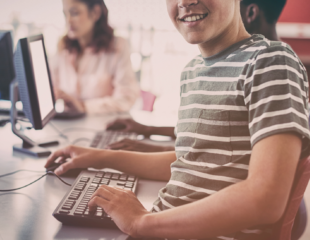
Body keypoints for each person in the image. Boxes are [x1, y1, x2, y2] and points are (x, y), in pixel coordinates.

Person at [46, 0, 310, 239]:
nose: (185, 2)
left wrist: (142, 222)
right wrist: (98, 157)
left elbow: (266, 199)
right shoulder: (194, 71)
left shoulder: (271, 60)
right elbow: (190, 162)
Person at [106, 0, 286, 152]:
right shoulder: (195, 69)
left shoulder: (269, 65)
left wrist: (146, 145)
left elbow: (214, 157)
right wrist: (147, 131)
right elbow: (204, 146)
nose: (184, 2)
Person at [50, 0, 139, 115]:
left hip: (102, 124)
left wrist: (83, 107)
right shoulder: (63, 47)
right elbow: (52, 86)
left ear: (95, 13)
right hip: (68, 125)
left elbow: (126, 99)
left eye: (75, 13)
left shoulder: (118, 46)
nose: (68, 21)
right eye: (65, 14)